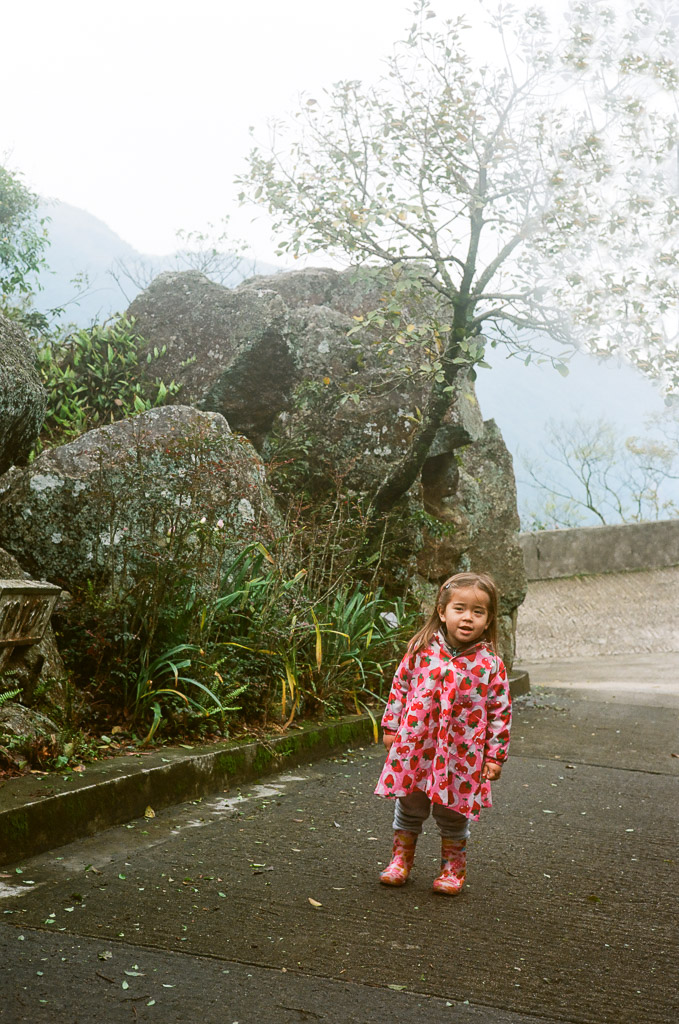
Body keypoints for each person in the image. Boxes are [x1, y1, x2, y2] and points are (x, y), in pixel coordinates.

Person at [374, 571, 511, 895]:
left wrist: (495, 755)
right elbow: (400, 688)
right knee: (411, 804)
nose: (468, 618)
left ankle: (453, 868)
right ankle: (400, 861)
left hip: (461, 754)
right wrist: (392, 727)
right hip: (417, 746)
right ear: (442, 611)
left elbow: (500, 713)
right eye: (459, 608)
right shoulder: (420, 651)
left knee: (453, 812)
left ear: (488, 618)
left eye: (478, 612)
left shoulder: (490, 664)